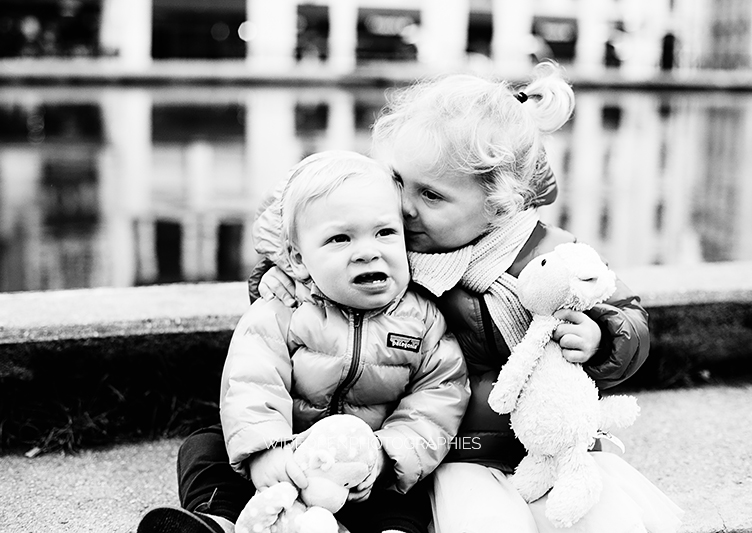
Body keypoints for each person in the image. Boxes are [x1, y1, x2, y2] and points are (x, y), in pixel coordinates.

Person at [259, 62, 683, 532]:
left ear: (499, 204)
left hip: (548, 445)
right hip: (450, 449)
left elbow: (626, 314)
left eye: (431, 195)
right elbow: (312, 245)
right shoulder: (388, 250)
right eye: (397, 180)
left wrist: (602, 336)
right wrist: (278, 276)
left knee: (594, 520)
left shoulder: (551, 255)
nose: (404, 206)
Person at [137, 150, 470, 533]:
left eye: (385, 233)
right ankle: (218, 520)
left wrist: (385, 455)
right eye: (340, 239)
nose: (368, 251)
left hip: (365, 470)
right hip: (288, 455)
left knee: (411, 487)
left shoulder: (423, 320)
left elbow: (437, 401)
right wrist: (266, 450)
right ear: (297, 258)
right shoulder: (281, 309)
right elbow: (251, 382)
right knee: (205, 447)